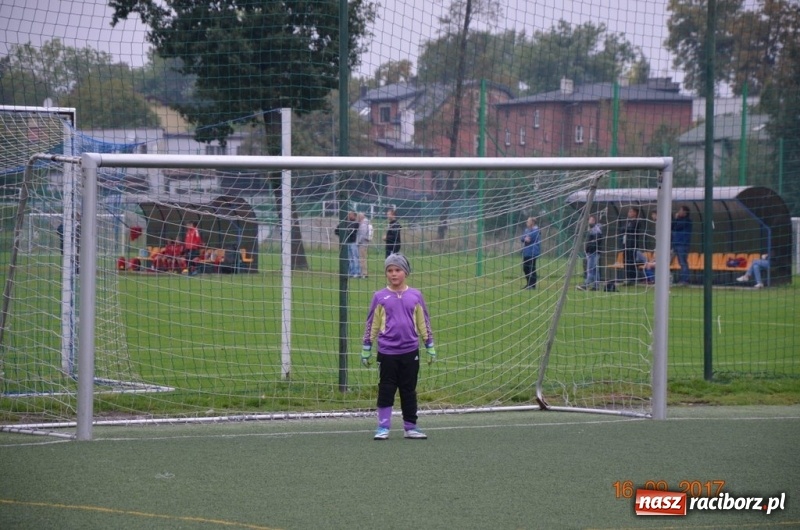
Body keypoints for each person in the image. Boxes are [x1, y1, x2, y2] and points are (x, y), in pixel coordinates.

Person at [360, 253, 435, 440]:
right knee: (386, 388)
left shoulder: (415, 296)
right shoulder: (379, 297)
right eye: (389, 270)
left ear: (406, 272)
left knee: (408, 389)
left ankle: (410, 427)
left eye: (397, 270)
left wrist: (429, 345)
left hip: (410, 351)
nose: (393, 274)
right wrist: (367, 346)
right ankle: (383, 427)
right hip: (387, 352)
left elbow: (423, 322)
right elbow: (372, 323)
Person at [577, 214, 602, 291]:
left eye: (591, 220)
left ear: (594, 221)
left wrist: (590, 249)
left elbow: (596, 242)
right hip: (591, 252)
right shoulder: (591, 230)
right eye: (589, 220)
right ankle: (596, 286)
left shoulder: (597, 230)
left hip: (594, 252)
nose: (589, 221)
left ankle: (585, 285)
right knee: (595, 270)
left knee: (590, 269)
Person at [620, 206, 644, 284]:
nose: (629, 213)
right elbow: (622, 229)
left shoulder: (637, 222)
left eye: (631, 211)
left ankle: (632, 279)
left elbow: (630, 229)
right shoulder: (628, 221)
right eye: (629, 211)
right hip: (625, 244)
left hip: (632, 245)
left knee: (631, 261)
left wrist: (626, 228)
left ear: (635, 213)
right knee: (626, 261)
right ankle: (627, 278)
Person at [334, 211, 360, 278]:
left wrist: (345, 231)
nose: (348, 215)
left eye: (350, 214)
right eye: (348, 214)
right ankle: (350, 272)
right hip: (346, 243)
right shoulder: (345, 223)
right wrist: (342, 234)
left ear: (354, 215)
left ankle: (356, 272)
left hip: (352, 243)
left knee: (354, 258)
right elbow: (336, 230)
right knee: (348, 258)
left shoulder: (356, 223)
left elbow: (350, 231)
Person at [671, 205, 692, 286]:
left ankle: (685, 280)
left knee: (682, 262)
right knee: (667, 261)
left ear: (685, 212)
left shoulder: (687, 221)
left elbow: (678, 227)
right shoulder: (678, 220)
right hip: (675, 243)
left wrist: (676, 219)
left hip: (682, 244)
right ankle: (664, 278)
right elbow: (672, 227)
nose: (679, 212)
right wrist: (675, 219)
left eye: (681, 210)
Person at [520, 216, 541, 289]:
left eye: (528, 221)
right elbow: (522, 238)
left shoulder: (536, 230)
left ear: (532, 223)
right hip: (526, 252)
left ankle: (532, 285)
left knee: (531, 268)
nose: (526, 222)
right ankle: (528, 283)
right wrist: (524, 238)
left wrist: (525, 238)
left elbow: (529, 239)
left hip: (533, 252)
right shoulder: (526, 230)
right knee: (525, 268)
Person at [356, 212, 371, 279]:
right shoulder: (364, 223)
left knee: (362, 259)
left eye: (358, 217)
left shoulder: (364, 224)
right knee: (362, 258)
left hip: (362, 244)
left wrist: (358, 242)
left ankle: (364, 273)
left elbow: (362, 234)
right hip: (363, 243)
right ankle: (362, 273)